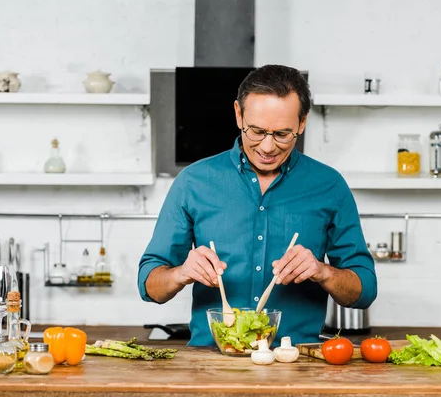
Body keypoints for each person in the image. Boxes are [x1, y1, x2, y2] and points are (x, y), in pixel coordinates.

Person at [138, 64, 377, 346]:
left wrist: (323, 271)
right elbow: (149, 286)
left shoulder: (329, 185)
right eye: (257, 131)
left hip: (296, 362)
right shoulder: (193, 181)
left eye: (282, 134)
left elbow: (364, 291)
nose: (267, 147)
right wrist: (181, 273)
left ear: (302, 123)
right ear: (239, 115)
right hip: (211, 363)